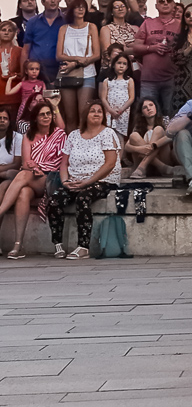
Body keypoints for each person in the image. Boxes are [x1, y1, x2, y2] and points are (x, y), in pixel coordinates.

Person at [47, 99, 121, 259]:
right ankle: (58, 245)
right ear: (85, 115)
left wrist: (88, 182)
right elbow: (64, 164)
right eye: (92, 111)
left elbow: (110, 164)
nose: (96, 114)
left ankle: (83, 247)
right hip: (75, 181)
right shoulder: (74, 135)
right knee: (54, 200)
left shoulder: (108, 133)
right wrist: (66, 182)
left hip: (102, 181)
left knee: (83, 198)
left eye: (99, 111)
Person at [1, 98, 66, 259]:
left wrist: (37, 167)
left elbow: (59, 162)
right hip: (32, 178)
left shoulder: (59, 134)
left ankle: (0, 211)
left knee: (23, 175)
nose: (46, 117)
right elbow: (25, 163)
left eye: (48, 114)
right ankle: (18, 245)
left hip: (51, 178)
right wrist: (34, 168)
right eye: (42, 114)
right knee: (23, 192)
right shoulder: (28, 137)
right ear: (35, 118)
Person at [133, 0, 182, 118]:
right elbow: (135, 47)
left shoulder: (180, 25)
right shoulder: (148, 23)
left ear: (173, 4)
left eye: (168, 0)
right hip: (149, 79)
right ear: (156, 6)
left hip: (172, 79)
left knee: (170, 115)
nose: (165, 3)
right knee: (146, 116)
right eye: (161, 1)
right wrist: (152, 48)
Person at [55, 0, 101, 132]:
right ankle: (71, 149)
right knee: (70, 117)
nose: (80, 9)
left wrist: (74, 63)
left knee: (84, 114)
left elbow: (97, 55)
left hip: (88, 73)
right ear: (71, 10)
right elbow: (59, 55)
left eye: (83, 6)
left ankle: (83, 146)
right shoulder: (64, 28)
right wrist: (78, 59)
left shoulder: (91, 26)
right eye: (77, 7)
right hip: (67, 73)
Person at [22, 0, 65, 87]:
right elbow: (25, 49)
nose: (53, 0)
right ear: (42, 2)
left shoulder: (67, 21)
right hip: (37, 70)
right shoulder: (33, 21)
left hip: (60, 69)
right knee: (37, 101)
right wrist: (23, 74)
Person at [123, 98, 173, 178]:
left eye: (151, 105)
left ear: (156, 107)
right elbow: (127, 147)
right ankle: (159, 167)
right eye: (145, 107)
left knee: (158, 129)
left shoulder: (165, 120)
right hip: (148, 166)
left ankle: (143, 167)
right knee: (134, 135)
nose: (149, 108)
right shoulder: (138, 126)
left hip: (163, 159)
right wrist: (141, 149)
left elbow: (170, 137)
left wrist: (153, 146)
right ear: (142, 113)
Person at [99, 52, 134, 141]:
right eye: (119, 63)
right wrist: (110, 110)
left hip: (123, 112)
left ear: (127, 67)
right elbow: (103, 98)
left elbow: (131, 98)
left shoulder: (129, 80)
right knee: (109, 134)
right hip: (110, 111)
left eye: (124, 64)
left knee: (120, 136)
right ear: (114, 65)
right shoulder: (107, 81)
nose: (121, 66)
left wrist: (121, 110)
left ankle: (121, 155)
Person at [99, 0, 139, 69]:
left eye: (123, 6)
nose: (120, 9)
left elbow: (140, 49)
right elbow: (107, 52)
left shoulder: (135, 29)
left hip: (133, 69)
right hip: (112, 69)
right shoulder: (106, 29)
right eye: (116, 7)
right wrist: (129, 49)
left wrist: (121, 49)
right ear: (111, 12)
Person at [0, 19, 22, 109]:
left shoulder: (20, 51)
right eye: (3, 30)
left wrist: (15, 75)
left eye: (10, 30)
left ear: (15, 33)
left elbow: (25, 73)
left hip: (14, 94)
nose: (6, 33)